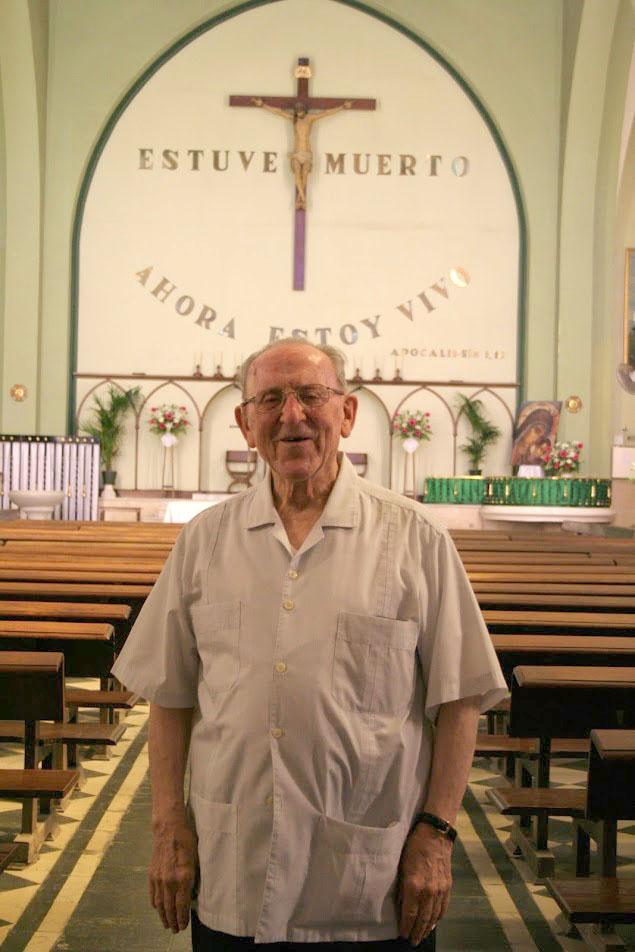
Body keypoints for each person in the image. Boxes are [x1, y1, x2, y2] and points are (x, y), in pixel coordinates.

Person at [112, 339, 507, 952]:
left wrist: (436, 835)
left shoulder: (416, 539)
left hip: (367, 884)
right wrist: (168, 824)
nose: (291, 415)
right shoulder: (205, 542)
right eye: (270, 399)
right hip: (232, 873)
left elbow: (459, 700)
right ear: (246, 423)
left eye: (311, 396)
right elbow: (170, 694)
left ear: (346, 413)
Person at [252, 98, 352, 208]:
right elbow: (279, 112)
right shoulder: (294, 119)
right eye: (297, 110)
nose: (298, 112)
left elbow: (326, 113)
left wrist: (342, 107)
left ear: (304, 110)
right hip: (296, 153)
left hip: (307, 153)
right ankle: (303, 199)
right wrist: (263, 105)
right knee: (297, 172)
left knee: (305, 174)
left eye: (300, 110)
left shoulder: (310, 118)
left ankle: (300, 198)